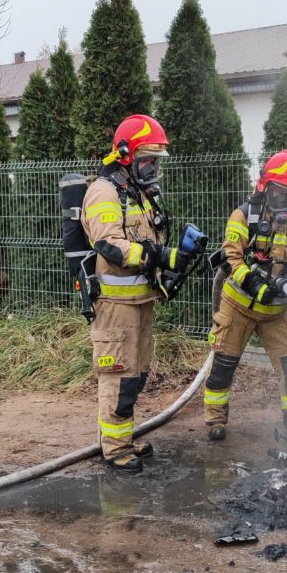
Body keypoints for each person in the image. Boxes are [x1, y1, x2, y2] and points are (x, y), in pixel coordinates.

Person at [82, 113, 193, 473]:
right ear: (126, 156)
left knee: (137, 375)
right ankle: (115, 448)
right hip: (115, 306)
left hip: (141, 300)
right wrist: (158, 255)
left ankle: (123, 437)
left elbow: (150, 238)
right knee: (119, 375)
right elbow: (109, 244)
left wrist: (169, 260)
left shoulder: (137, 194)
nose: (152, 167)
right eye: (147, 160)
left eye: (156, 161)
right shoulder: (104, 192)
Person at [203, 149, 287, 441]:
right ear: (266, 186)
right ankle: (215, 420)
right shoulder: (244, 215)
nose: (285, 199)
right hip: (237, 306)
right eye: (280, 191)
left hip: (276, 312)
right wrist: (254, 285)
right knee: (223, 365)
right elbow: (231, 258)